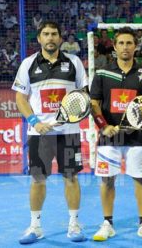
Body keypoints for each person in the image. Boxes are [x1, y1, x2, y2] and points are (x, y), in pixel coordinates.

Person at [12, 21, 88, 244]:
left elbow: (83, 95)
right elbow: (20, 98)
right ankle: (35, 226)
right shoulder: (28, 64)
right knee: (38, 180)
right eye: (46, 34)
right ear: (39, 39)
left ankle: (74, 223)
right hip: (39, 135)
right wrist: (35, 122)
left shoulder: (74, 62)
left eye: (54, 34)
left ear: (61, 38)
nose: (50, 38)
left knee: (71, 177)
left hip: (69, 132)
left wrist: (76, 114)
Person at [90, 26, 142, 242]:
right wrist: (103, 126)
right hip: (109, 137)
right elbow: (94, 104)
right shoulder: (101, 73)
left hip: (137, 137)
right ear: (115, 47)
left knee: (140, 179)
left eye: (129, 43)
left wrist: (139, 122)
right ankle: (107, 223)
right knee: (107, 180)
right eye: (121, 43)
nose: (125, 47)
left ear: (135, 46)